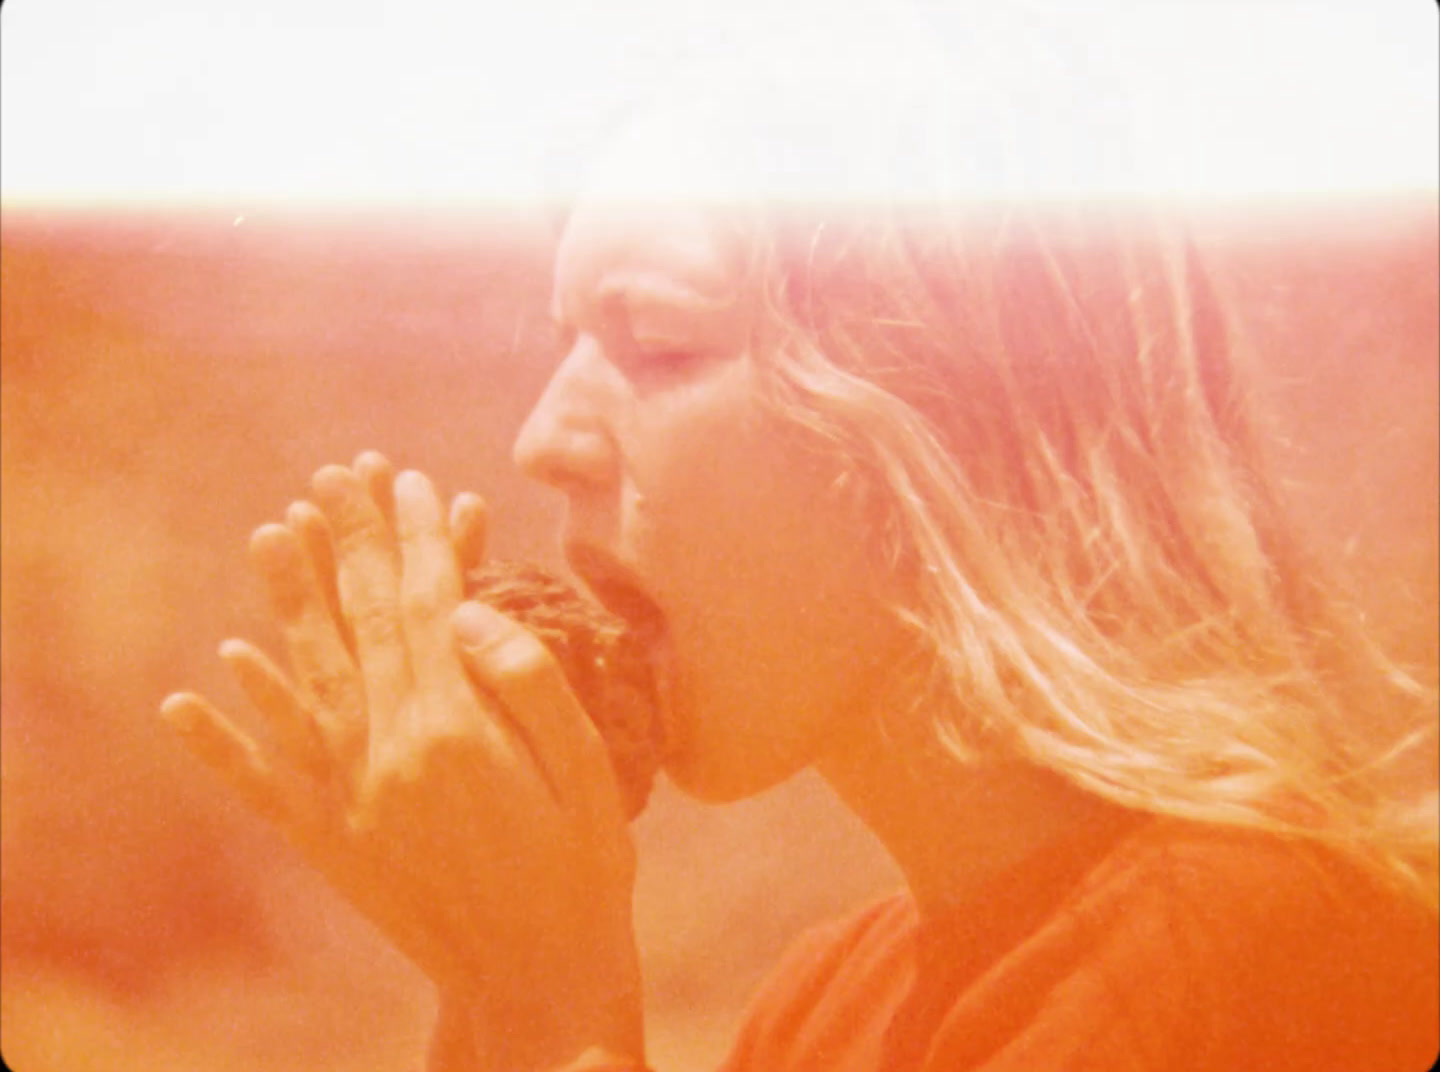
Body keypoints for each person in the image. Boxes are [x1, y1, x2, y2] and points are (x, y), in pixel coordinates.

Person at [160, 11, 1439, 1071]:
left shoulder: (1243, 947)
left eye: (655, 342)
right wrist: (487, 987)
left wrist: (559, 1019)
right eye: (565, 345)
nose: (545, 437)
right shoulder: (821, 1013)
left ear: (943, 415)